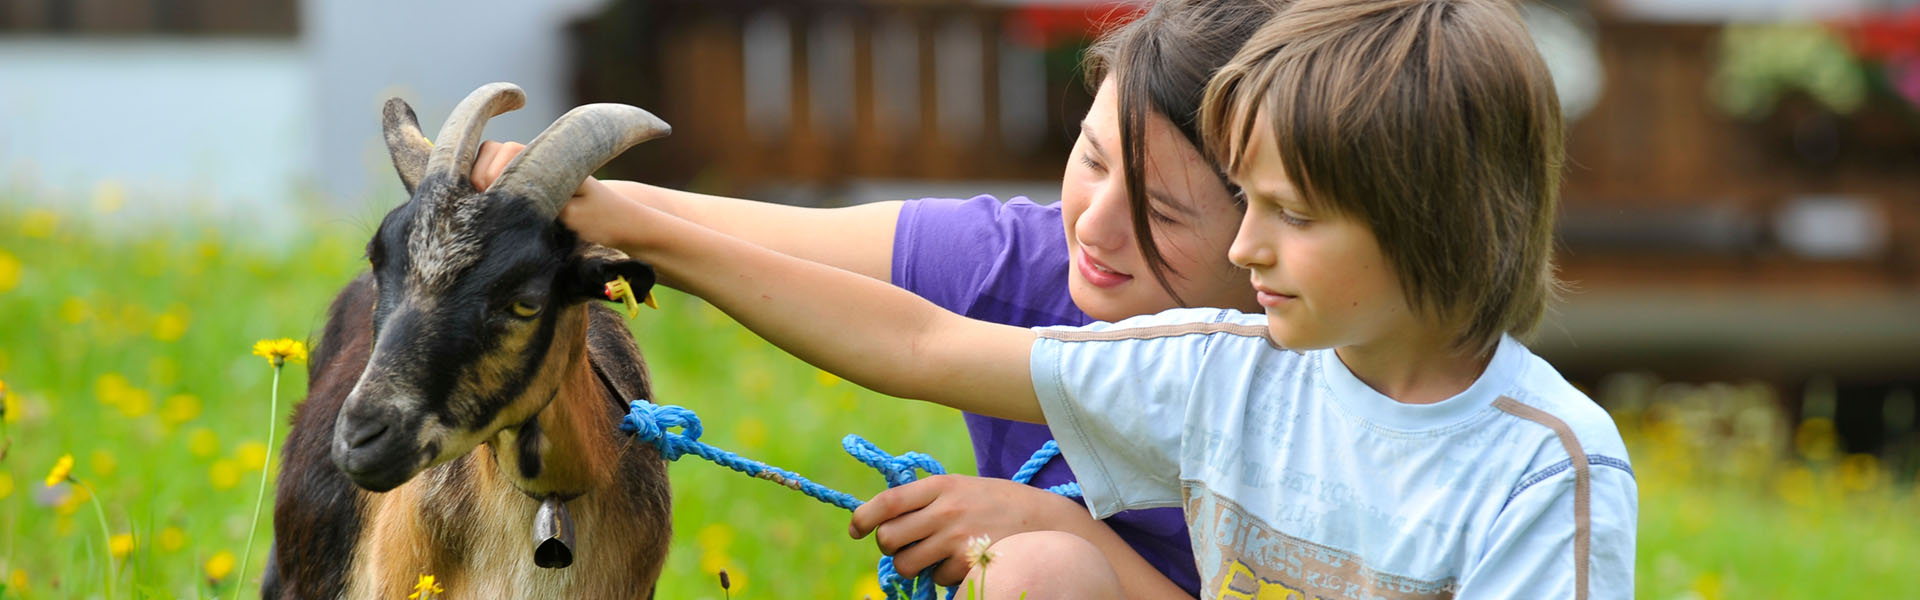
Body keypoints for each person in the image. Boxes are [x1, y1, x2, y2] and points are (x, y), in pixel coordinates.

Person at [536, 0, 1638, 596]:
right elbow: (919, 343)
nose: (1252, 247)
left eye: (1290, 214)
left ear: (1429, 224)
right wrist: (629, 225)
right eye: (1248, 202)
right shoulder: (1225, 364)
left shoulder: (1546, 465)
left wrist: (1089, 550)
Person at [474, 2, 1287, 595]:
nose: (1096, 228)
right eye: (1094, 159)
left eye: (1162, 212)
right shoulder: (1028, 258)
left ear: (1275, 227)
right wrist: (587, 205)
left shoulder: (1322, 370)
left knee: (1042, 570)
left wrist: (1056, 529)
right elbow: (792, 255)